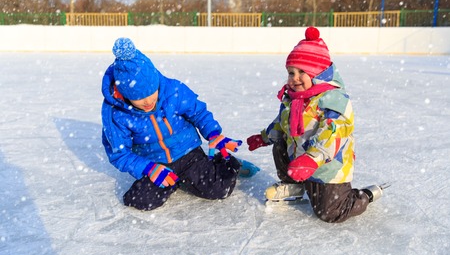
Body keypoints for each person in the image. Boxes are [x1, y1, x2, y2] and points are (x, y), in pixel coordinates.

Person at [101, 37, 259, 211]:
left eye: (151, 93)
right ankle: (178, 179)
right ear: (124, 94)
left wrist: (213, 134)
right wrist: (147, 168)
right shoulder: (116, 113)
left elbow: (198, 112)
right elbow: (119, 153)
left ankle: (227, 162)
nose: (147, 102)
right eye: (138, 98)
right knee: (140, 201)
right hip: (156, 162)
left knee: (220, 189)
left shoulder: (173, 91)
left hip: (188, 152)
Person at [246, 26, 384, 223]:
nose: (294, 78)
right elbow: (282, 123)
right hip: (300, 158)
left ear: (319, 73)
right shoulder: (294, 98)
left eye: (302, 72)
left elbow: (333, 134)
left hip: (327, 164)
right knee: (280, 144)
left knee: (330, 213)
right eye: (291, 72)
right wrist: (265, 136)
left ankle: (364, 196)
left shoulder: (334, 100)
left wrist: (312, 159)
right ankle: (294, 184)